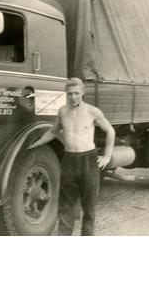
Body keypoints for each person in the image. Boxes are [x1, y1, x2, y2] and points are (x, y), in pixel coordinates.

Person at [28, 77, 115, 236]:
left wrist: (107, 156)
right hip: (69, 161)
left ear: (82, 92)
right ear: (66, 94)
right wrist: (37, 143)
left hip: (88, 160)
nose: (73, 97)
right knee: (66, 207)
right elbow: (53, 131)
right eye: (69, 94)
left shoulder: (92, 111)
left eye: (76, 93)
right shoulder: (62, 112)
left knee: (89, 208)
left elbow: (110, 131)